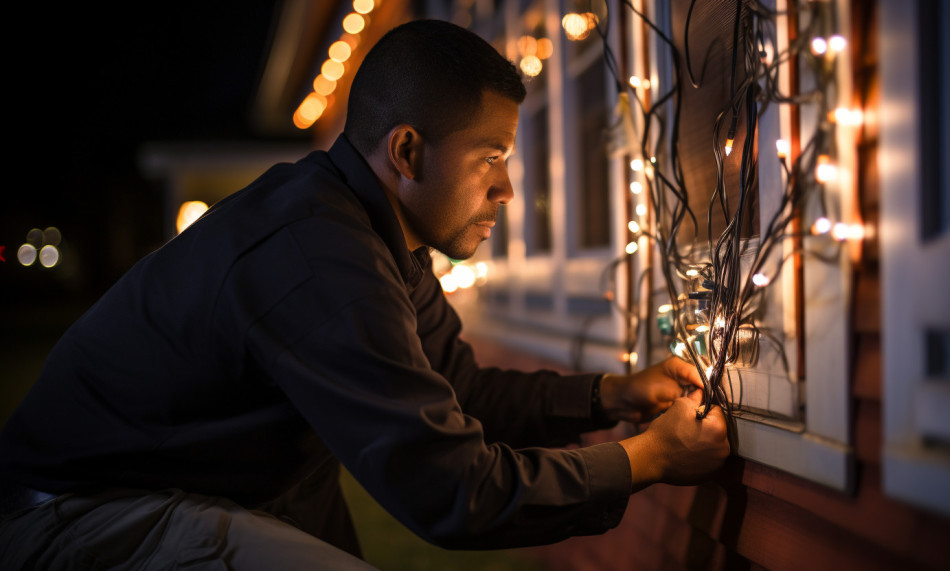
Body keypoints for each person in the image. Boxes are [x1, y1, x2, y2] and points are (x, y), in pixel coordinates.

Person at [0, 19, 729, 569]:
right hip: (82, 516)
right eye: (490, 158)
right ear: (407, 152)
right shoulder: (318, 258)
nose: (508, 188)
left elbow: (461, 392)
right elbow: (451, 490)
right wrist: (648, 459)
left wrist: (610, 394)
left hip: (195, 494)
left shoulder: (377, 238)